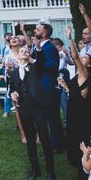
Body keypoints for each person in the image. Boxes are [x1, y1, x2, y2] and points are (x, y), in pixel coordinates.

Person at [9, 46, 56, 180]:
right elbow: (12, 87)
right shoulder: (14, 73)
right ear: (17, 56)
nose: (24, 52)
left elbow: (40, 61)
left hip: (38, 108)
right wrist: (13, 93)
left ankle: (50, 171)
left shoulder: (36, 67)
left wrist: (39, 50)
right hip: (24, 108)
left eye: (27, 51)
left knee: (44, 138)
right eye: (22, 51)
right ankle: (35, 169)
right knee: (30, 140)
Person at [60, 25, 91, 179]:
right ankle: (81, 162)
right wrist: (66, 86)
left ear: (88, 64)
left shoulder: (85, 72)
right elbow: (78, 92)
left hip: (81, 112)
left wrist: (69, 39)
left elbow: (74, 57)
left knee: (79, 135)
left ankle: (84, 165)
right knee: (75, 134)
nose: (82, 58)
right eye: (83, 56)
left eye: (85, 58)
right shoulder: (79, 75)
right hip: (76, 107)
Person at [30, 22, 65, 152]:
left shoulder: (49, 47)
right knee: (48, 116)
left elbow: (52, 66)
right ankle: (55, 141)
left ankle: (57, 145)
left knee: (53, 117)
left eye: (37, 29)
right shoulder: (40, 46)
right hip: (41, 86)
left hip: (49, 86)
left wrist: (35, 62)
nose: (35, 31)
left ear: (44, 33)